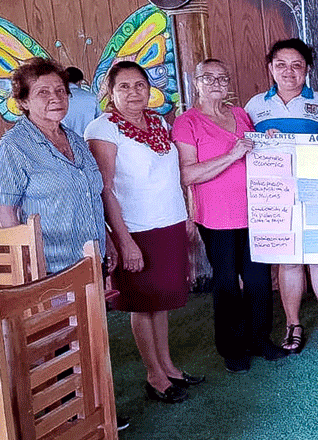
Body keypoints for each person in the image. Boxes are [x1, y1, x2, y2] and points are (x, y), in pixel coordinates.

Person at [86, 61, 203, 403]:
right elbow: (105, 189)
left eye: (140, 85)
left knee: (161, 302)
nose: (134, 92)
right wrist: (124, 241)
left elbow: (171, 175)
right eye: (124, 86)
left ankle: (168, 366)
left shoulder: (158, 122)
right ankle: (154, 375)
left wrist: (186, 216)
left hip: (168, 222)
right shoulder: (103, 128)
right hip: (136, 230)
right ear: (110, 92)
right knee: (142, 303)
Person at [172, 59, 288, 374]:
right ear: (196, 82)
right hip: (216, 217)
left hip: (256, 211)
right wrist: (231, 155)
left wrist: (268, 140)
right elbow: (187, 174)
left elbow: (253, 151)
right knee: (226, 283)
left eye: (222, 78)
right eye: (208, 78)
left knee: (259, 279)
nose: (217, 83)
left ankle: (260, 340)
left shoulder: (240, 114)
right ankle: (232, 348)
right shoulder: (187, 122)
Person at [245, 38, 318, 354]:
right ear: (270, 68)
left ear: (307, 69)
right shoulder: (254, 106)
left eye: (297, 65)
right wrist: (265, 141)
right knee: (289, 260)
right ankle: (293, 323)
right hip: (275, 196)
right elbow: (246, 149)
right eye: (281, 65)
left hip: (317, 190)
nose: (289, 71)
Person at [0, 58, 107, 273]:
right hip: (50, 269)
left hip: (93, 260)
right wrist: (27, 266)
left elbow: (91, 197)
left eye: (60, 90)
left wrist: (108, 244)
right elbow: (6, 212)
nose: (56, 98)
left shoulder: (76, 140)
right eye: (43, 92)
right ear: (24, 102)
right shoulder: (13, 146)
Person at [62, 66, 100, 136]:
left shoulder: (58, 97)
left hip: (63, 139)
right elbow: (99, 119)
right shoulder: (92, 97)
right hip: (87, 138)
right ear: (79, 81)